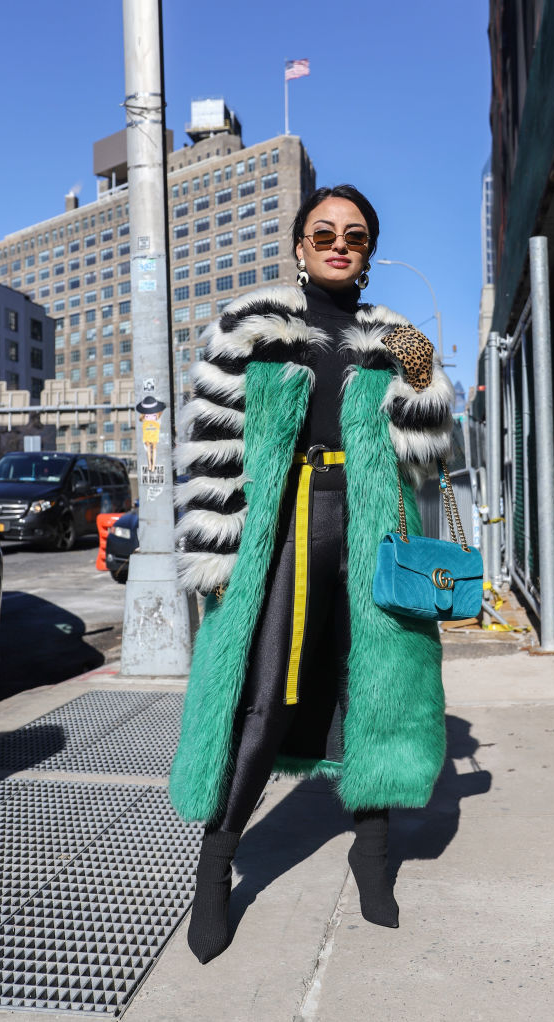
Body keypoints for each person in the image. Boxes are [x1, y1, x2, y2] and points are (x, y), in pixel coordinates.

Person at [170, 184, 454, 963]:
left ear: (366, 253)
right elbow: (209, 452)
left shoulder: (390, 334)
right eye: (322, 232)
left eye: (354, 235)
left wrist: (422, 374)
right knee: (260, 699)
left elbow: (428, 456)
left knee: (372, 691)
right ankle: (215, 869)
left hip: (371, 532)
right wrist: (216, 556)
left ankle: (371, 861)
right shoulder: (248, 329)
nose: (337, 243)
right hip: (280, 531)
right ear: (298, 245)